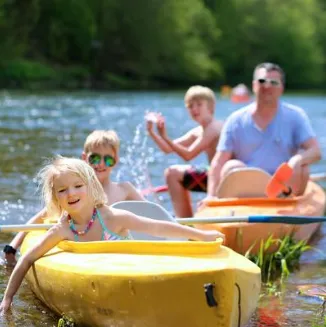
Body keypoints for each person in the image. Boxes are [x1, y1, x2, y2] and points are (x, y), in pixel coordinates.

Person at [0, 157, 225, 314]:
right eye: (62, 190)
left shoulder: (112, 218)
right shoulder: (62, 230)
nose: (71, 193)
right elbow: (27, 259)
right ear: (55, 197)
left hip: (136, 277)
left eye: (78, 185)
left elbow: (159, 227)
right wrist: (7, 299)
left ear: (90, 186)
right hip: (104, 287)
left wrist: (200, 235)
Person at [3, 130, 145, 265]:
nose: (101, 164)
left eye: (107, 159)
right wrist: (13, 246)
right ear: (84, 158)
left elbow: (153, 214)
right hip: (82, 251)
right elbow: (38, 219)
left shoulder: (125, 189)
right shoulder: (74, 195)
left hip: (115, 252)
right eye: (95, 158)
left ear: (116, 160)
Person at [204, 62, 321, 201]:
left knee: (303, 167)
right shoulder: (235, 120)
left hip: (284, 188)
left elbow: (315, 151)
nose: (267, 86)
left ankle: (291, 209)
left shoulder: (296, 116)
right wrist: (210, 195)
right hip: (247, 189)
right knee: (231, 166)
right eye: (262, 81)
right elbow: (218, 162)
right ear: (254, 85)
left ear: (281, 88)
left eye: (273, 82)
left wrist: (296, 160)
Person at [146, 85, 223, 217]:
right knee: (171, 173)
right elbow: (167, 149)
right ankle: (186, 225)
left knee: (173, 173)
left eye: (199, 104)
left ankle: (186, 224)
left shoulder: (214, 127)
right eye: (190, 106)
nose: (194, 109)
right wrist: (152, 132)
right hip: (213, 175)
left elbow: (188, 155)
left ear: (211, 107)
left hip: (223, 177)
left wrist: (164, 136)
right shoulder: (198, 131)